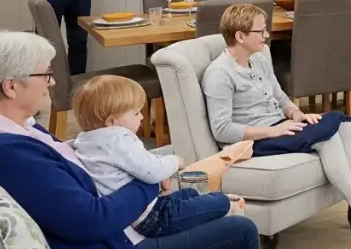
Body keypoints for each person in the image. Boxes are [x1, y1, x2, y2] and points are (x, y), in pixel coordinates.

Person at [0, 31, 260, 249]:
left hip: (113, 243)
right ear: (10, 87)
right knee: (240, 231)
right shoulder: (7, 153)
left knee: (198, 207)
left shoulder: (2, 132)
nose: (51, 82)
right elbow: (93, 220)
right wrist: (150, 183)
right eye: (45, 73)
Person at [202, 3, 351, 230]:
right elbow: (221, 129)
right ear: (240, 36)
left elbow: (279, 95)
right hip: (254, 140)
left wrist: (297, 114)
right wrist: (272, 131)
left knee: (345, 125)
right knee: (326, 137)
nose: (266, 36)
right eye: (260, 31)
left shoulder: (258, 59)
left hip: (279, 125)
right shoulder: (219, 74)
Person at [72, 74, 241, 238]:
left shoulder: (85, 140)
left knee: (189, 193)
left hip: (138, 212)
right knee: (217, 200)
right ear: (112, 122)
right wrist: (174, 161)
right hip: (153, 216)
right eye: (136, 113)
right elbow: (152, 172)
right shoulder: (119, 138)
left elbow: (139, 164)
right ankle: (227, 207)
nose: (142, 117)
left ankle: (214, 205)